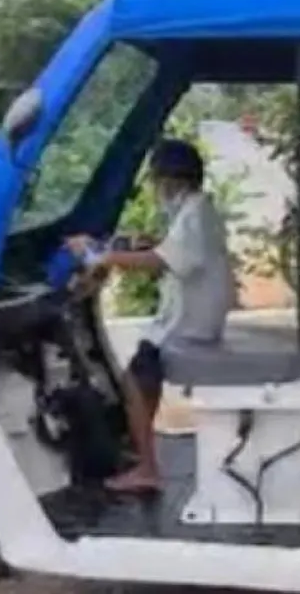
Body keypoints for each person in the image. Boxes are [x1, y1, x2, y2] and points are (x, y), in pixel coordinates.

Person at [67, 138, 237, 494]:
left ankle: (147, 469)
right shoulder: (195, 210)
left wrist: (100, 256)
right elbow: (176, 251)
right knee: (145, 374)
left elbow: (160, 261)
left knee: (134, 377)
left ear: (171, 180)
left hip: (191, 325)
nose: (156, 189)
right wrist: (144, 242)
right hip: (196, 316)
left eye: (157, 181)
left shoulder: (193, 215)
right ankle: (142, 444)